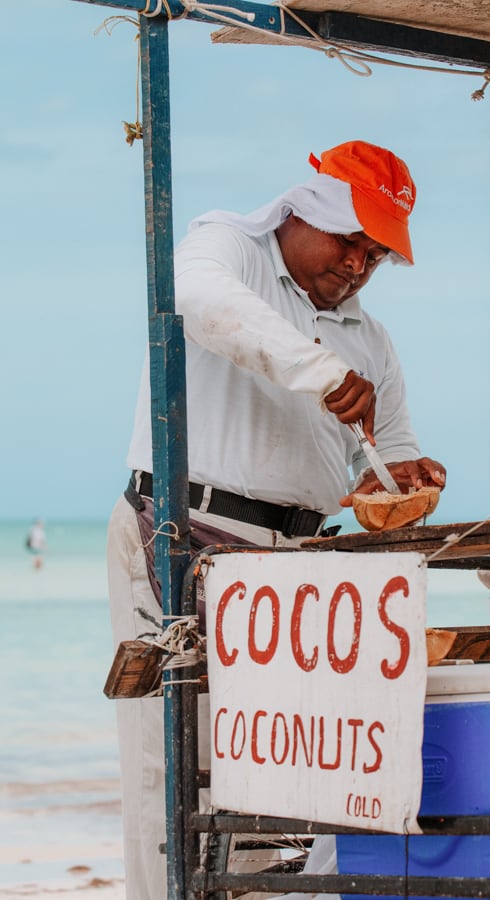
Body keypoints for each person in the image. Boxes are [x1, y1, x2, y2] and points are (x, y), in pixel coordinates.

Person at [107, 139, 446, 900]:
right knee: (178, 762)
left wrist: (408, 476)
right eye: (349, 241)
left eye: (377, 254)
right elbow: (199, 300)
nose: (359, 265)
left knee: (285, 759)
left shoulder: (370, 339)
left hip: (296, 559)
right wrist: (319, 372)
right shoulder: (228, 244)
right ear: (306, 211)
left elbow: (385, 455)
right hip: (183, 531)